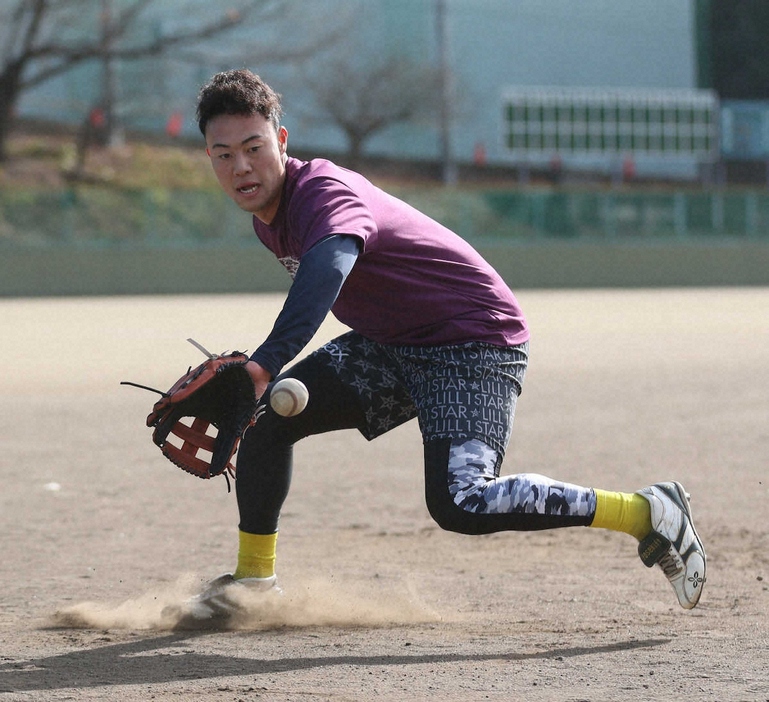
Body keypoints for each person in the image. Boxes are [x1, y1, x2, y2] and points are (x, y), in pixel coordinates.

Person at [181, 69, 706, 622]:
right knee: (265, 421)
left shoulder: (323, 194)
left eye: (253, 147)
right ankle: (254, 584)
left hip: (471, 339)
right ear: (209, 158)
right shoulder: (268, 217)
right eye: (223, 154)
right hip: (395, 341)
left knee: (462, 501)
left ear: (281, 141)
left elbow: (324, 275)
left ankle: (647, 512)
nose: (241, 166)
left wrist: (264, 364)